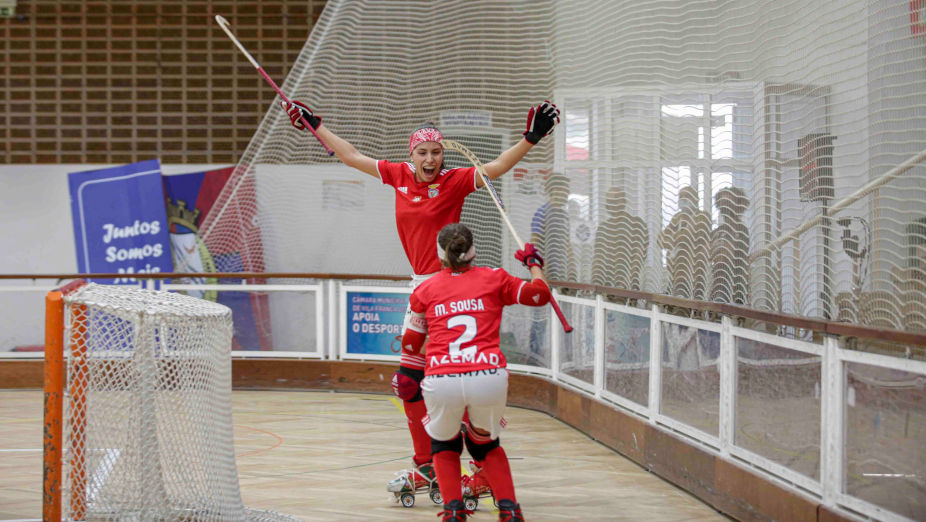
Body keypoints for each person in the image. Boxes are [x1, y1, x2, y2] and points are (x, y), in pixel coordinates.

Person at [286, 100, 560, 499]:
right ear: (411, 154)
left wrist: (530, 138)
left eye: (436, 152)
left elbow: (499, 167)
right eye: (423, 152)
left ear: (442, 154)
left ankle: (476, 470)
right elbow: (349, 155)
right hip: (423, 288)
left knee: (450, 381)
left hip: (452, 286)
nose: (430, 159)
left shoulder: (454, 180)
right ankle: (429, 466)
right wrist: (315, 126)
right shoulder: (397, 176)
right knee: (409, 385)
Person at [400, 223, 552, 521]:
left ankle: (453, 512)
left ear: (440, 254)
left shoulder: (425, 289)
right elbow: (540, 295)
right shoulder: (495, 278)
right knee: (485, 444)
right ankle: (509, 510)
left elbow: (410, 344)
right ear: (472, 251)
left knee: (445, 445)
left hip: (443, 377)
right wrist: (533, 265)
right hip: (487, 375)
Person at [527, 173, 574, 361]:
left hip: (560, 274)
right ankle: (534, 358)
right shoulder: (543, 212)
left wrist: (571, 267)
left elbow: (566, 243)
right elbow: (535, 242)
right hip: (545, 274)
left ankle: (563, 359)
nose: (567, 194)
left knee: (561, 315)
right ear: (554, 190)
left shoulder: (563, 214)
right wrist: (537, 271)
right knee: (540, 318)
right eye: (564, 190)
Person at [658, 185, 712, 300]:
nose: (683, 199)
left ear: (695, 199)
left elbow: (687, 238)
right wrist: (678, 237)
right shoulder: (677, 217)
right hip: (675, 274)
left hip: (693, 274)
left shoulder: (702, 216)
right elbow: (660, 240)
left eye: (687, 196)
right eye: (681, 197)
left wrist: (674, 237)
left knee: (691, 309)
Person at [592, 187, 647, 293]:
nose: (611, 205)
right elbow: (598, 257)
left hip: (627, 285)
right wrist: (595, 281)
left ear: (624, 202)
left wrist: (627, 281)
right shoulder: (603, 227)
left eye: (615, 200)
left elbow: (639, 255)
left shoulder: (636, 224)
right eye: (609, 201)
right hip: (605, 283)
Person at [709, 187, 749, 305]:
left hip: (734, 283)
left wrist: (716, 249)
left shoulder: (740, 229)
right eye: (721, 203)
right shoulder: (720, 230)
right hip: (718, 281)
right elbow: (708, 253)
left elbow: (726, 254)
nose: (724, 207)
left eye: (727, 203)